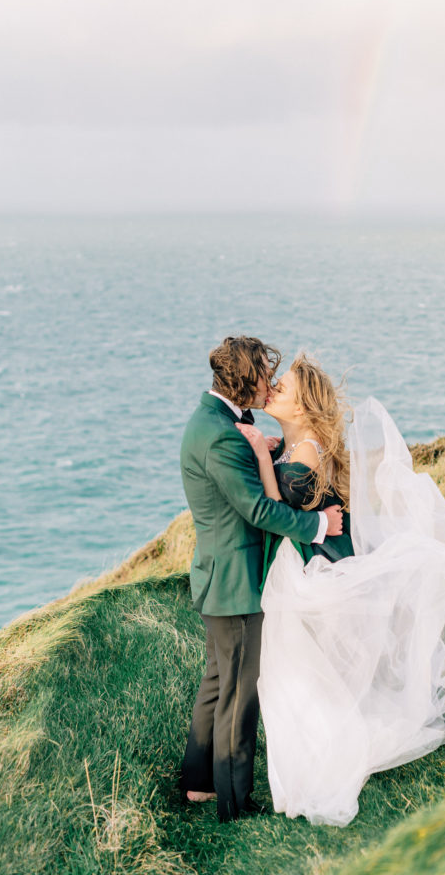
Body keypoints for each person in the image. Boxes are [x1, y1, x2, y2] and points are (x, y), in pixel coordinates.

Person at [237, 354, 445, 827]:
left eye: (281, 387)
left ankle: (328, 748)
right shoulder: (298, 444)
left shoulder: (304, 449)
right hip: (315, 559)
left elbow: (274, 508)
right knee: (306, 664)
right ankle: (324, 737)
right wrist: (271, 451)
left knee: (304, 664)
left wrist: (264, 458)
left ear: (303, 405)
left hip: (323, 567)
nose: (271, 390)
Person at [178, 336, 344, 823]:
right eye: (264, 377)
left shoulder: (219, 421)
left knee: (217, 681)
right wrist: (317, 526)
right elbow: (254, 508)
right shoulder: (219, 434)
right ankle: (234, 804)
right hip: (235, 581)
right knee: (238, 691)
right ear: (243, 380)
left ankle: (199, 784)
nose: (270, 384)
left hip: (220, 573)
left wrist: (262, 452)